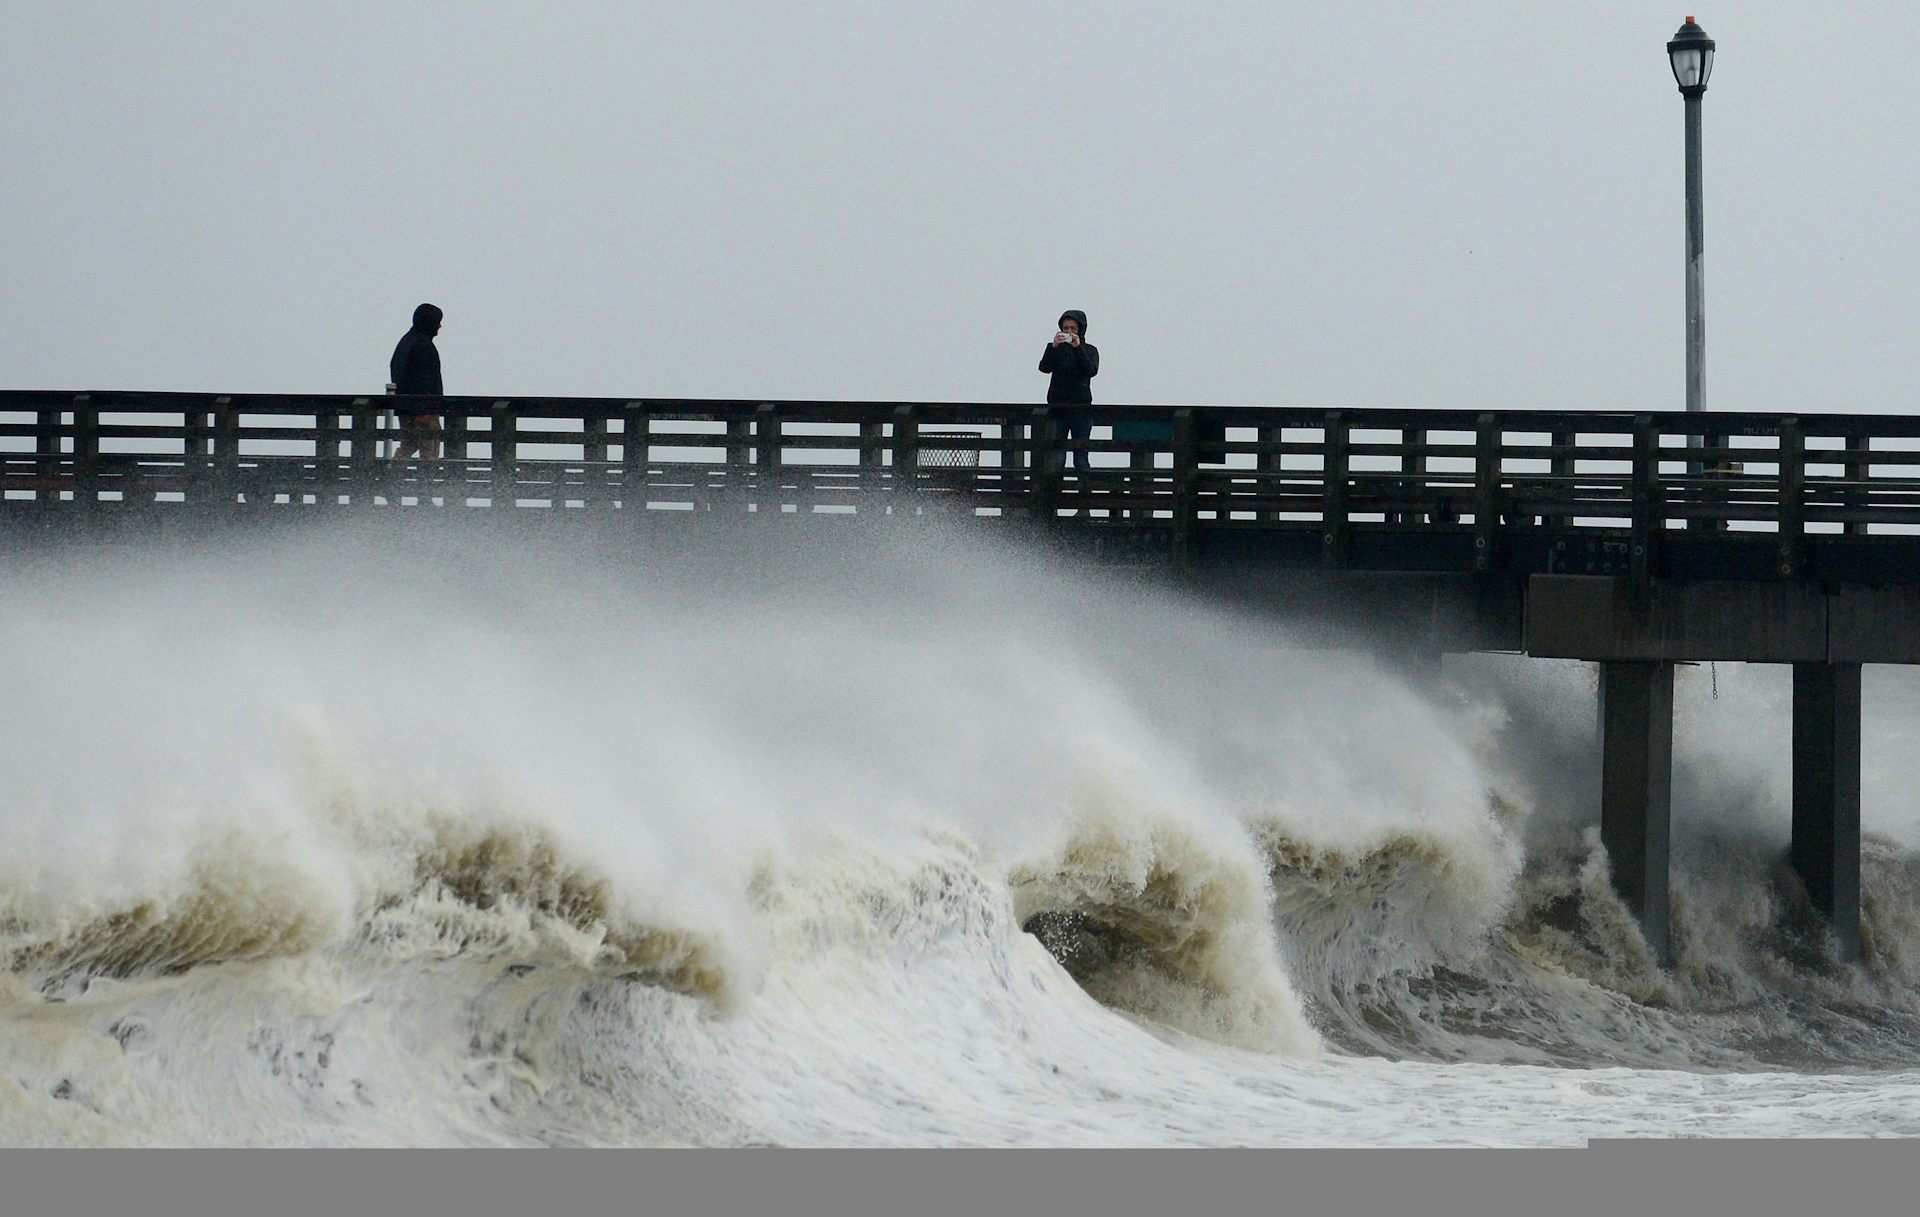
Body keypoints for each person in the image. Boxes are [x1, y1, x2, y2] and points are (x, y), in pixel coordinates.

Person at [1038, 309, 1098, 471]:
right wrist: (1052, 347)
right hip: (1057, 409)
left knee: (1081, 458)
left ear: (1080, 330)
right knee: (1056, 458)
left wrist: (1078, 348)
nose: (1069, 332)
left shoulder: (1090, 350)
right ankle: (1054, 493)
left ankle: (1084, 491)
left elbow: (1090, 370)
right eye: (1066, 329)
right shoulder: (1056, 349)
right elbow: (1044, 368)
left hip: (1082, 410)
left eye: (1073, 329)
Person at [388, 303, 444, 461]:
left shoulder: (406, 342)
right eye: (437, 321)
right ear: (429, 323)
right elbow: (423, 379)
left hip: (406, 408)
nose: (440, 325)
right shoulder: (423, 345)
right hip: (422, 410)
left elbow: (398, 373)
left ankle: (391, 476)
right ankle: (426, 482)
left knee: (409, 444)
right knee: (429, 450)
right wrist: (423, 409)